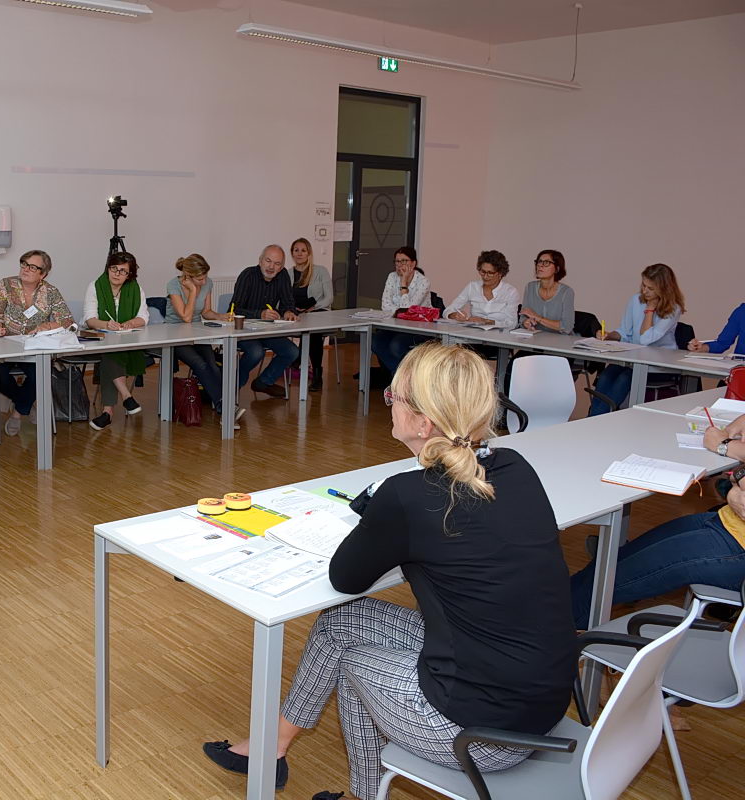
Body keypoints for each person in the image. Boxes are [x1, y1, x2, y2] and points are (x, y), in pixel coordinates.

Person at [202, 342, 575, 800]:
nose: (388, 405)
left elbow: (345, 577)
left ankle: (364, 793)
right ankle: (271, 748)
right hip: (540, 704)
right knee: (342, 622)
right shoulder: (516, 466)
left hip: (483, 736)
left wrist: (383, 516)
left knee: (352, 664)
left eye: (392, 397)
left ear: (423, 423)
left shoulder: (407, 495)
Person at [570, 414, 745, 628]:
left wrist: (727, 450)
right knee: (607, 566)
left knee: (606, 585)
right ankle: (549, 612)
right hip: (726, 522)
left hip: (737, 547)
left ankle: (552, 630)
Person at [0, 249, 75, 435]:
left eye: (33, 267)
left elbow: (67, 321)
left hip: (34, 347)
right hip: (5, 345)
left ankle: (18, 413)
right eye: (24, 264)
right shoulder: (6, 285)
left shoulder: (50, 292)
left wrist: (47, 325)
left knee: (40, 374)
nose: (26, 269)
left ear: (43, 274)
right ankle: (27, 402)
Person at [586, 263, 686, 416]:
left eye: (651, 288)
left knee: (624, 379)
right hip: (633, 359)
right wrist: (609, 335)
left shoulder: (673, 308)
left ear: (664, 289)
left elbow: (646, 339)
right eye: (644, 285)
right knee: (606, 375)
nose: (645, 291)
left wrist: (650, 310)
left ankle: (596, 420)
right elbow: (624, 332)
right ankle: (593, 419)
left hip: (659, 364)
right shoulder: (635, 300)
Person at [166, 254, 245, 428]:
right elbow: (186, 317)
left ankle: (224, 406)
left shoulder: (207, 283)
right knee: (199, 364)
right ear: (187, 276)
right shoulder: (173, 285)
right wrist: (193, 291)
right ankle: (226, 407)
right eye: (199, 279)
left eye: (205, 277)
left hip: (196, 331)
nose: (204, 282)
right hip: (174, 333)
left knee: (211, 363)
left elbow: (206, 312)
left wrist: (222, 316)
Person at [83, 252, 149, 431]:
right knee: (109, 352)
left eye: (123, 271)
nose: (117, 274)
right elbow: (90, 319)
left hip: (127, 338)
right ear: (108, 268)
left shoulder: (136, 289)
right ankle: (126, 396)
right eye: (114, 268)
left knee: (110, 356)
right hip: (99, 337)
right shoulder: (95, 286)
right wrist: (106, 324)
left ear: (130, 274)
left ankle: (108, 413)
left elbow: (143, 317)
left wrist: (130, 323)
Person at [228, 244, 299, 398]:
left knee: (292, 351)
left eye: (277, 263)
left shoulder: (283, 276)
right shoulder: (248, 275)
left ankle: (264, 381)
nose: (271, 267)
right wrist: (259, 314)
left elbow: (288, 303)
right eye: (268, 261)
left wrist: (288, 311)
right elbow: (234, 310)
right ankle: (231, 387)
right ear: (260, 261)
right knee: (256, 352)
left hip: (267, 329)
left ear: (281, 267)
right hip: (244, 329)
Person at [372, 246, 432, 375]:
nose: (399, 265)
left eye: (404, 261)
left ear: (413, 263)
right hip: (396, 325)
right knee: (376, 341)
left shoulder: (423, 282)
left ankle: (403, 376)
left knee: (397, 344)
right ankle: (399, 375)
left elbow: (408, 310)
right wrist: (399, 312)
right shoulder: (391, 277)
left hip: (418, 328)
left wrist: (404, 283)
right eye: (397, 261)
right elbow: (385, 305)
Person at [290, 237, 332, 392]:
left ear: (309, 253)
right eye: (296, 250)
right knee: (305, 325)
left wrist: (312, 308)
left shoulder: (320, 271)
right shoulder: (287, 273)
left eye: (303, 250)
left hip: (318, 311)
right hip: (297, 313)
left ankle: (316, 374)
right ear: (292, 253)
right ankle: (295, 357)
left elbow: (329, 298)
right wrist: (293, 309)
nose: (299, 253)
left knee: (313, 330)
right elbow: (284, 298)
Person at [444, 250, 519, 330]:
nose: (485, 276)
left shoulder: (510, 292)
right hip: (473, 334)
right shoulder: (472, 287)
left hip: (499, 335)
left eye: (490, 273)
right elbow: (447, 311)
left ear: (500, 273)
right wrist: (454, 315)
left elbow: (512, 323)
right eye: (483, 272)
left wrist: (486, 321)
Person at [518, 249, 575, 334]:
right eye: (539, 262)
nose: (540, 265)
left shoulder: (566, 292)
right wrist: (525, 322)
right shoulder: (530, 287)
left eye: (546, 262)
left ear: (557, 269)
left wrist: (537, 317)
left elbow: (567, 327)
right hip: (536, 338)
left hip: (561, 340)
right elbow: (523, 317)